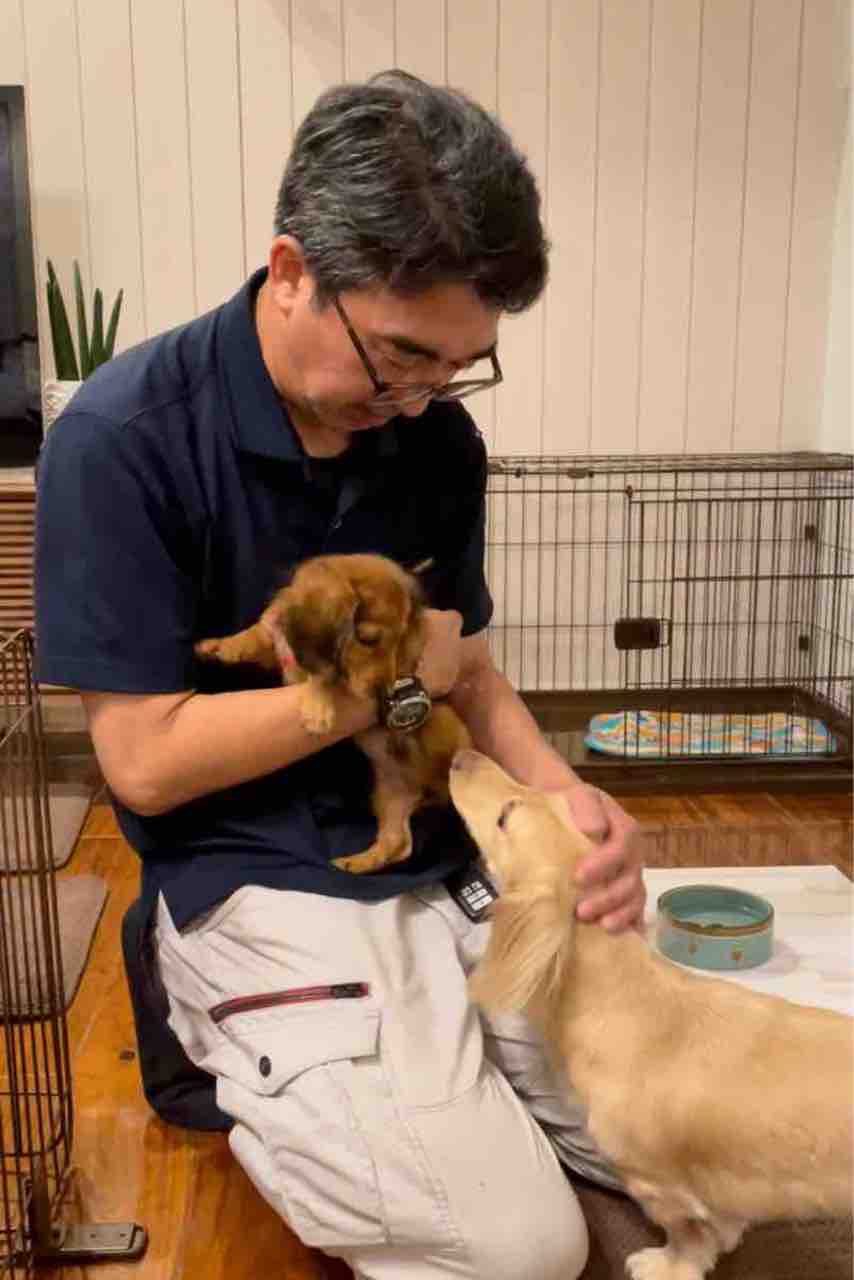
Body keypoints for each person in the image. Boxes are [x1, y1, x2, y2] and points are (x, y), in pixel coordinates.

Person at [35, 71, 645, 1280]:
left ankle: (464, 1086)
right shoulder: (119, 439)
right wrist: (389, 680)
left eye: (457, 367)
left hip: (432, 837)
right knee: (520, 1251)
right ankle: (221, 1034)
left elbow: (466, 671)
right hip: (250, 867)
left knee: (687, 1139)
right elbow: (145, 762)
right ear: (291, 271)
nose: (418, 397)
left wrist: (562, 793)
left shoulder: (434, 439)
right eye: (400, 355)